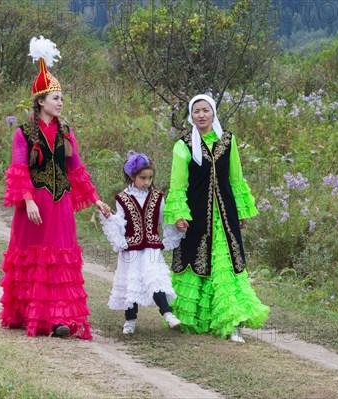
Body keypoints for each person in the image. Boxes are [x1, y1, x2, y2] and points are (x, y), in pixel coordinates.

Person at [0, 36, 111, 340]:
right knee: (34, 257)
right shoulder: (23, 133)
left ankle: (59, 319)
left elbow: (76, 170)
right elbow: (18, 169)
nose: (60, 103)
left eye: (61, 98)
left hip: (60, 206)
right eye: (55, 98)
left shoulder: (66, 132)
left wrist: (97, 200)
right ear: (40, 102)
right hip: (34, 207)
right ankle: (31, 315)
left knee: (59, 259)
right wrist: (28, 200)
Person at [164, 94, 270, 343]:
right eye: (196, 112)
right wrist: (179, 215)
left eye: (205, 110)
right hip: (196, 217)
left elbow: (235, 179)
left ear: (213, 113)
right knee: (196, 261)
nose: (201, 115)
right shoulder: (183, 145)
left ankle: (232, 322)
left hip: (224, 219)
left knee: (226, 265)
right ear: (191, 116)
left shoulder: (228, 141)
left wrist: (242, 211)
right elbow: (177, 185)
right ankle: (199, 320)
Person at [99, 151, 183, 334]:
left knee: (155, 278)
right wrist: (109, 218)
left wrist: (177, 225)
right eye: (143, 178)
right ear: (132, 176)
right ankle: (130, 319)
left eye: (150, 178)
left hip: (152, 247)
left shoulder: (157, 197)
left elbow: (164, 219)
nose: (147, 182)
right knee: (132, 283)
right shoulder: (123, 198)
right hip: (132, 248)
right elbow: (121, 221)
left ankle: (168, 314)